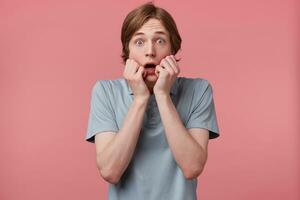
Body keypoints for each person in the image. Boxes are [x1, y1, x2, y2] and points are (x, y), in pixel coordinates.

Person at [85, 2, 220, 200]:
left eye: (160, 41)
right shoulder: (105, 92)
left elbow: (192, 167)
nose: (150, 51)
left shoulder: (199, 90)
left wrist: (163, 96)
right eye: (139, 42)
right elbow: (110, 171)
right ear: (128, 51)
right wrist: (140, 99)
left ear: (173, 49)